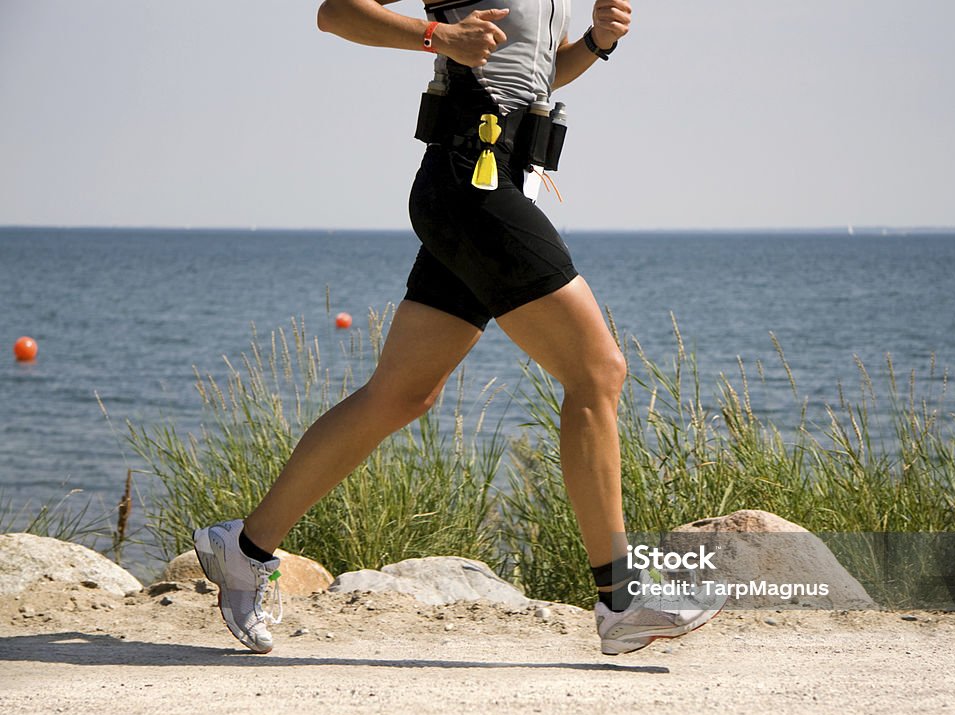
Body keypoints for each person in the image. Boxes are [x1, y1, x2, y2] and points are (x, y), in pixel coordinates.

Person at [192, 0, 722, 656]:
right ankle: (620, 600)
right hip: (471, 183)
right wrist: (438, 35)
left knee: (401, 395)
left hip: (493, 184)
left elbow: (536, 75)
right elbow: (336, 13)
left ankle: (243, 548)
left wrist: (596, 43)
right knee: (598, 370)